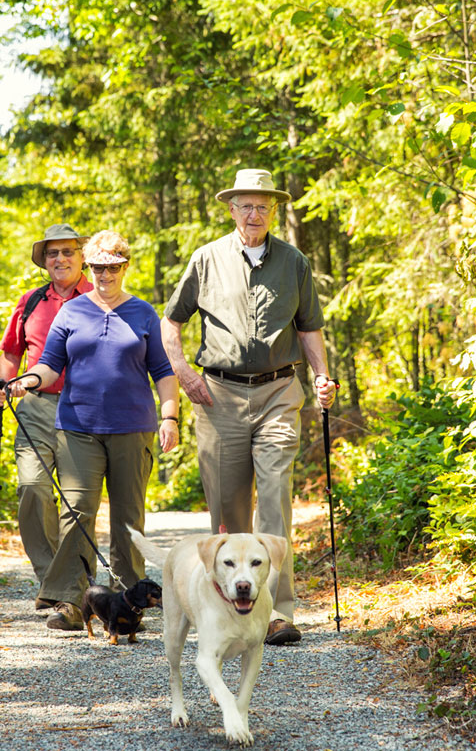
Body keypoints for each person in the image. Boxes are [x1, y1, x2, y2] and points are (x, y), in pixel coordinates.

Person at [160, 168, 336, 646]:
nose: (254, 214)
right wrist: (184, 372)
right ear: (231, 209)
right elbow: (170, 324)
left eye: (263, 206)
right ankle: (229, 604)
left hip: (280, 390)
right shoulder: (206, 259)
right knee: (228, 506)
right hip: (219, 395)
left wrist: (321, 375)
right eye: (245, 206)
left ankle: (277, 610)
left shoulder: (294, 262)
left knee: (275, 492)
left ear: (273, 211)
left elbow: (309, 329)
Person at [8, 230, 179, 631]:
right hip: (77, 428)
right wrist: (27, 381)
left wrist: (170, 417)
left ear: (125, 266)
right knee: (77, 514)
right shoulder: (72, 312)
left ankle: (129, 599)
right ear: (91, 266)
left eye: (113, 267)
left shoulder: (142, 313)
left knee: (127, 517)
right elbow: (49, 364)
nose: (105, 274)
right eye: (99, 267)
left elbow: (163, 373)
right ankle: (71, 600)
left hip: (133, 428)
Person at [0, 224, 92, 610]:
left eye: (69, 252)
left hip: (85, 409)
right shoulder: (30, 302)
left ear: (82, 257)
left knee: (75, 501)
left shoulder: (99, 297)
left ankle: (68, 589)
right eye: (53, 253)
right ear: (44, 261)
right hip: (35, 405)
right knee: (32, 488)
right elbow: (11, 353)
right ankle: (52, 578)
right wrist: (3, 384)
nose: (61, 259)